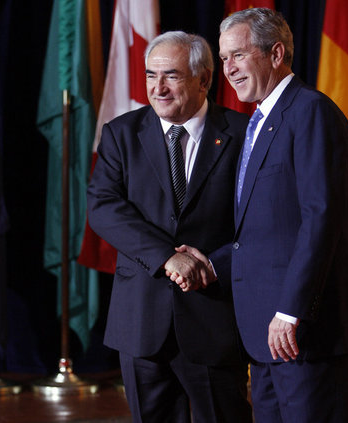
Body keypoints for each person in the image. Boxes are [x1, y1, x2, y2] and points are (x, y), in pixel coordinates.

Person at [216, 8, 348, 422]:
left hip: (306, 332)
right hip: (265, 337)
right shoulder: (258, 123)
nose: (228, 69)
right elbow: (263, 231)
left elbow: (321, 218)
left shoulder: (310, 112)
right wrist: (209, 264)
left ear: (276, 53)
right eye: (223, 59)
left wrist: (290, 311)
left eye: (237, 55)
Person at [87, 31, 252, 423]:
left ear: (204, 79)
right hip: (141, 320)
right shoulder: (121, 134)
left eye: (172, 76)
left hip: (214, 315)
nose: (157, 88)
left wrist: (213, 264)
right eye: (150, 76)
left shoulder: (243, 134)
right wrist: (167, 258)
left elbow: (258, 221)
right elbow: (103, 208)